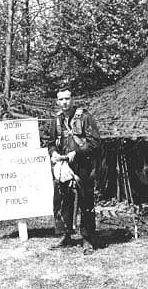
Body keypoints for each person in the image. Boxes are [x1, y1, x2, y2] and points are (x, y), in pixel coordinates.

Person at [48, 86, 100, 255]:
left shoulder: (85, 117)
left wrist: (76, 152)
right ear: (57, 101)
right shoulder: (56, 121)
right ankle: (66, 235)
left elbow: (95, 143)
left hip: (83, 166)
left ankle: (87, 239)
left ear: (73, 99)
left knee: (85, 202)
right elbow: (50, 143)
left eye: (67, 99)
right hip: (63, 167)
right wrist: (53, 153)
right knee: (63, 201)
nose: (64, 102)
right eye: (61, 99)